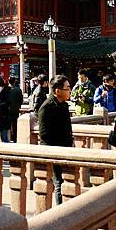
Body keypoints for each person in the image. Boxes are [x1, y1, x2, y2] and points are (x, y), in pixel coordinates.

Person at [38, 75, 73, 205]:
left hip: (66, 149)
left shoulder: (64, 105)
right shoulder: (46, 107)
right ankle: (60, 211)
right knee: (59, 182)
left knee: (68, 181)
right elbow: (44, 135)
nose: (70, 91)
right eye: (67, 88)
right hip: (55, 151)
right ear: (58, 91)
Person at [8, 76, 23, 142]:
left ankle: (9, 137)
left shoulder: (6, 89)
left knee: (8, 124)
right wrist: (18, 106)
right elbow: (21, 100)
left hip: (7, 109)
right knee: (15, 124)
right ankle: (14, 138)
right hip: (15, 109)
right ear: (14, 82)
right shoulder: (18, 90)